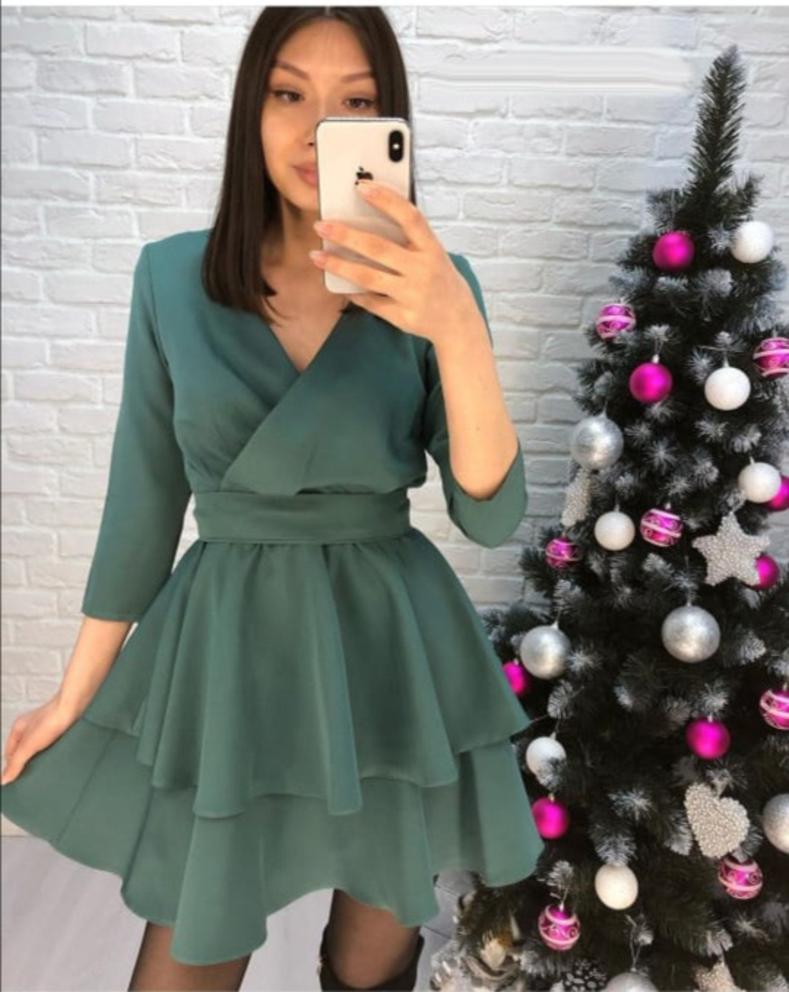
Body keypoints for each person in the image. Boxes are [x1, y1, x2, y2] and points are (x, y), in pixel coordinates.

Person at [0, 7, 544, 991]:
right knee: (197, 937)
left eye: (355, 104)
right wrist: (71, 697)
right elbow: (142, 503)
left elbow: (489, 513)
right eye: (288, 93)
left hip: (387, 643)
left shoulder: (435, 287)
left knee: (374, 950)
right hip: (230, 644)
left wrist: (457, 327)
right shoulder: (171, 277)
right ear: (250, 107)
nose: (315, 128)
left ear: (390, 123)